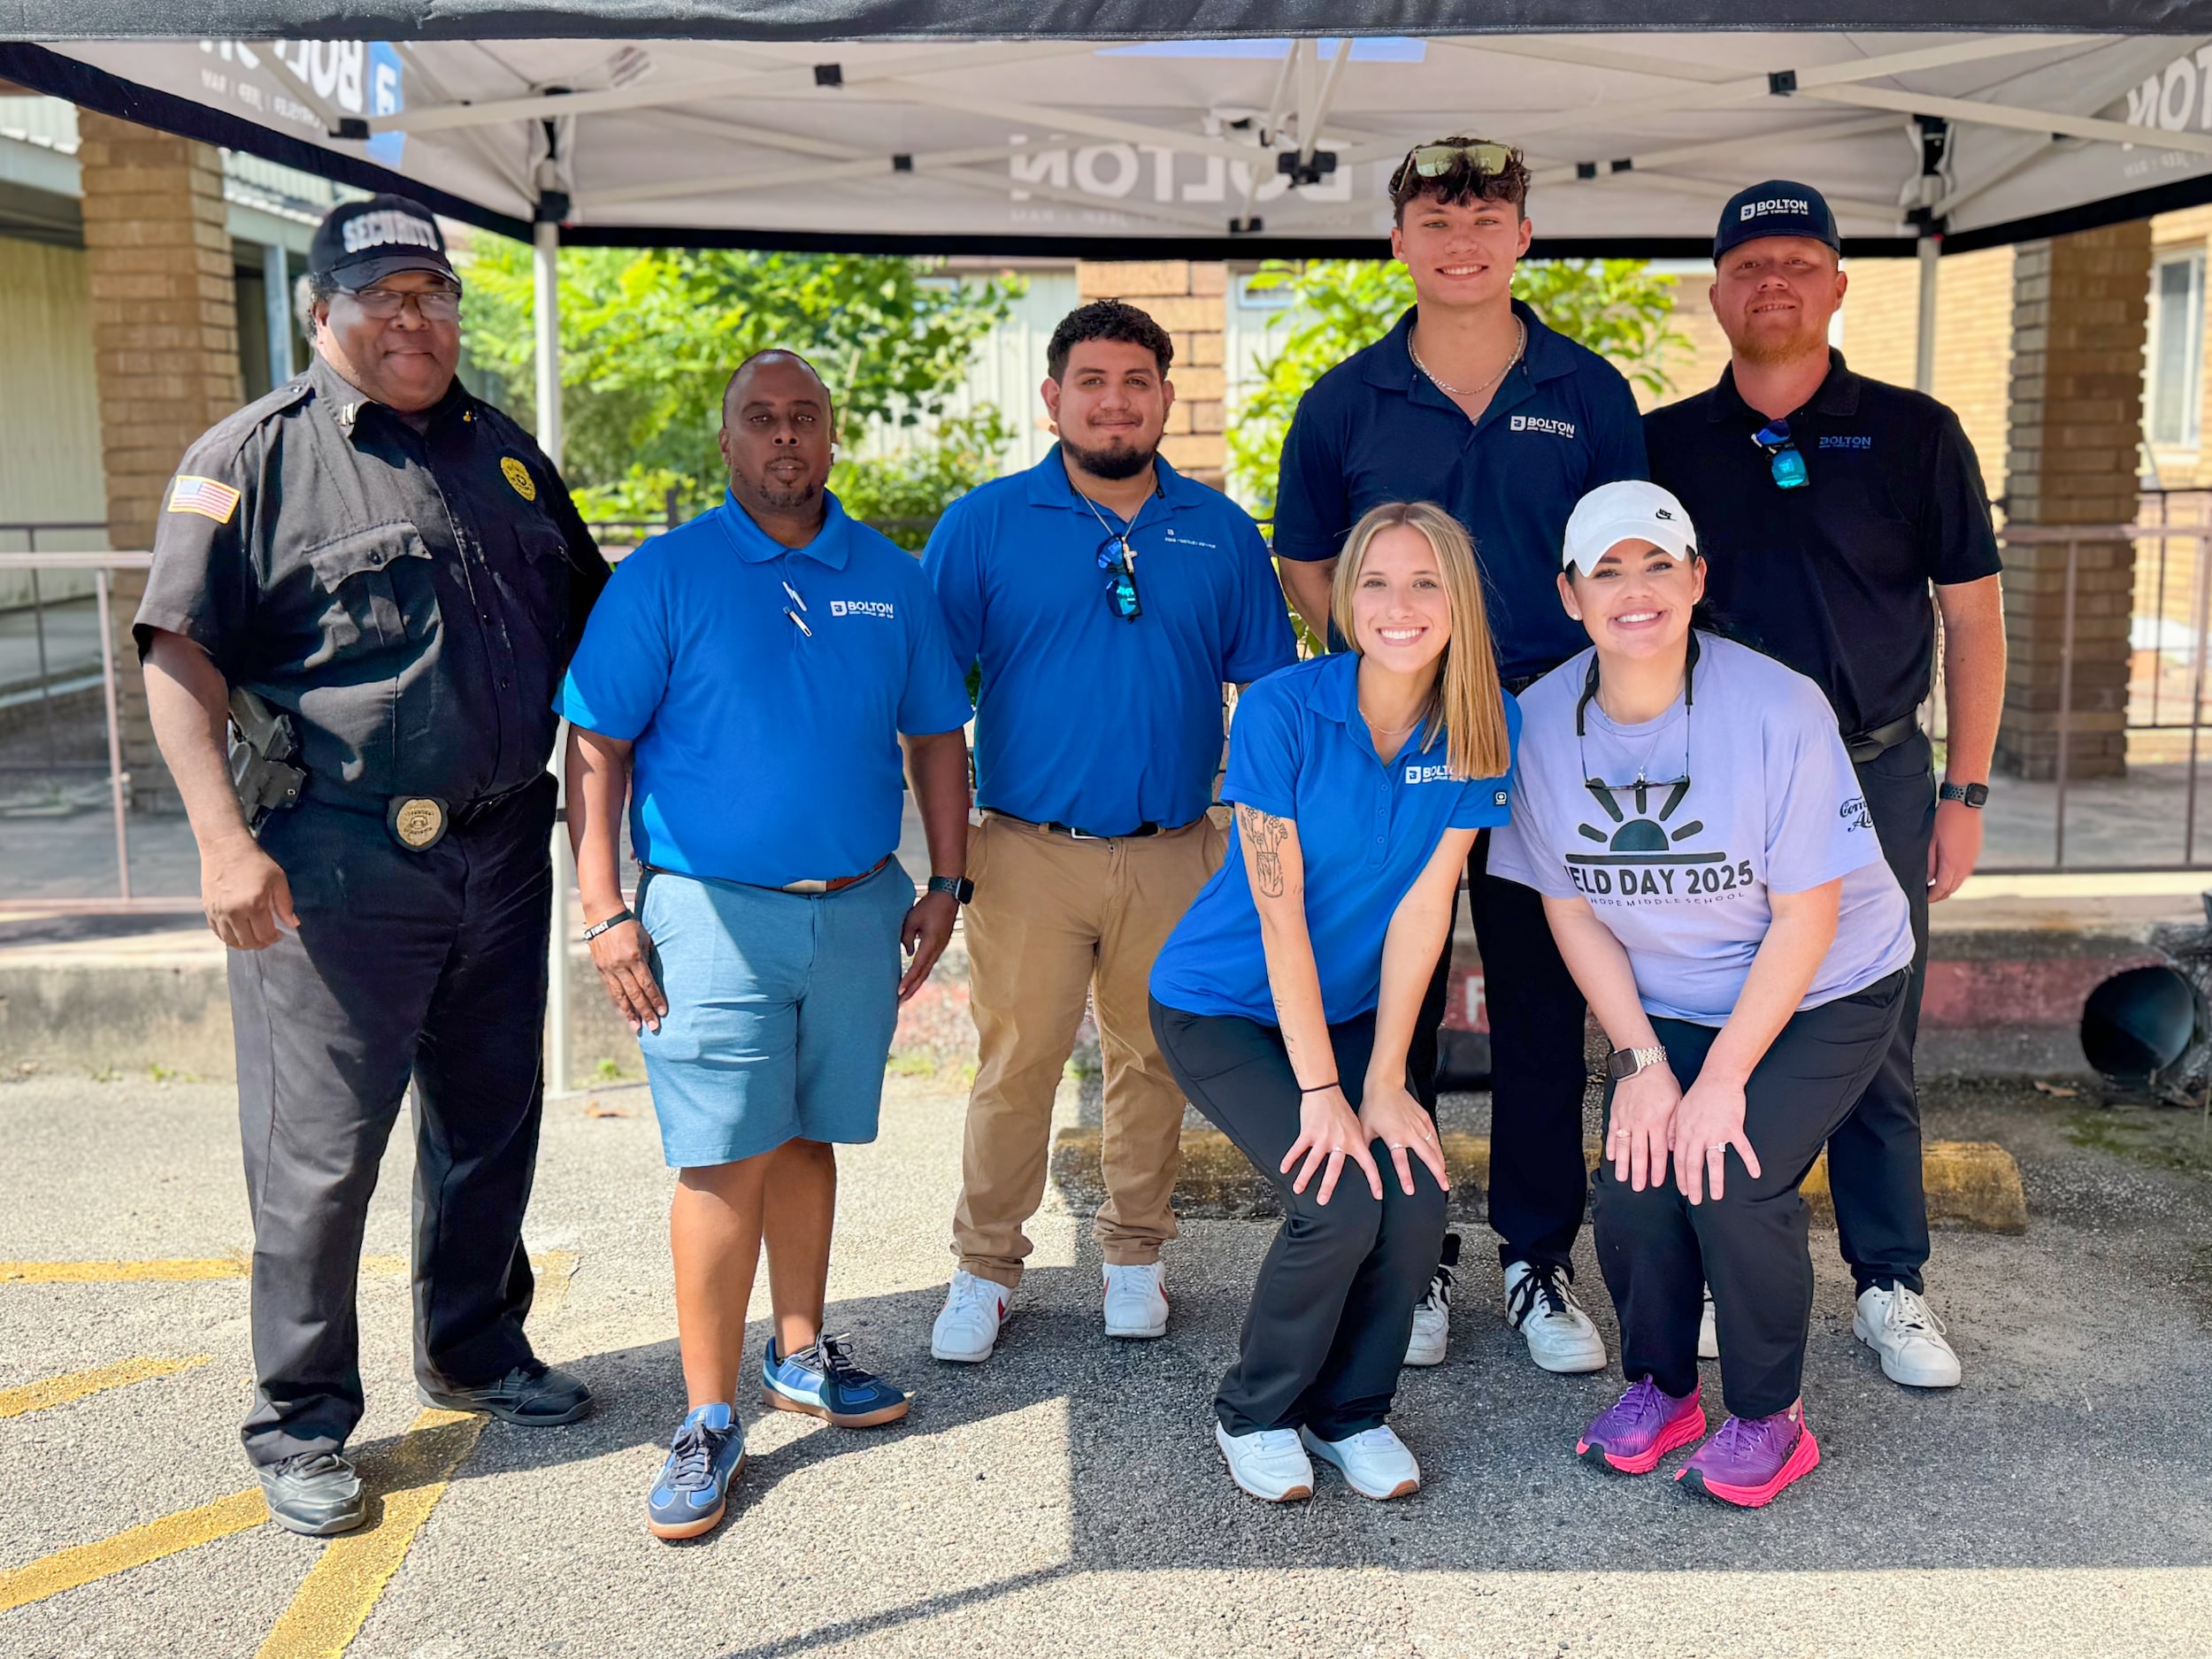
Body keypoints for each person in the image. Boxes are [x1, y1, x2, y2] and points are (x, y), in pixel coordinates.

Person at [134, 196, 609, 1536]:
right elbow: (179, 651)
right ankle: (299, 1419)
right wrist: (223, 842)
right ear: (319, 309)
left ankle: (472, 1344)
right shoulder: (251, 457)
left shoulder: (504, 452)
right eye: (382, 293)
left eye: (433, 293)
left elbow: (598, 629)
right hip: (333, 857)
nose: (413, 316)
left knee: (489, 1115)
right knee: (320, 1153)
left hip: (503, 843)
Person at [558, 350, 974, 1540]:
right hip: (706, 910)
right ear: (727, 442)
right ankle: (705, 1412)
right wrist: (603, 907)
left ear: (832, 437)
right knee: (719, 1155)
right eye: (761, 419)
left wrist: (946, 879)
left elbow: (937, 737)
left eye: (805, 418)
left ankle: (800, 1349)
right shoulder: (666, 577)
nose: (785, 437)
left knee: (807, 1132)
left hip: (855, 907)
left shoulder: (889, 578)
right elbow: (595, 748)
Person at [1271, 139, 1647, 1374]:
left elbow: (1623, 568)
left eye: (1488, 216)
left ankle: (1538, 1259)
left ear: (1523, 238)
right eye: (1437, 218)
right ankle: (1416, 1253)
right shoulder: (1345, 400)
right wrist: (1384, 678)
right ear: (1400, 242)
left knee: (1545, 1002)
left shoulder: (1588, 393)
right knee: (1401, 996)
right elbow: (1310, 564)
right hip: (1403, 742)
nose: (1463, 238)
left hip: (1548, 738)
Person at [1488, 480, 1915, 1509]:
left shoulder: (1777, 706)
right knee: (1635, 1180)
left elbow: (1807, 917)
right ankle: (1663, 1389)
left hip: (1827, 982)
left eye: (1658, 566)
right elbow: (1571, 908)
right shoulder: (1540, 721)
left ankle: (1770, 1415)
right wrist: (1639, 1062)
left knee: (1727, 1169)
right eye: (1608, 572)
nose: (1635, 591)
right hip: (1670, 997)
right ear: (1570, 596)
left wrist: (1718, 1080)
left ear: (1695, 581)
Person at [1645, 180, 2004, 1389]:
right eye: (1750, 266)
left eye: (1799, 262)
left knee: (1873, 1034)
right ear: (1718, 295)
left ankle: (1890, 1280)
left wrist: (1965, 792)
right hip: (1713, 791)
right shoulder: (1666, 445)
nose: (1775, 283)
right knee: (1702, 1021)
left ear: (1840, 284)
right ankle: (1702, 1265)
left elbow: (1975, 618)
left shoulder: (1914, 432)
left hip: (1875, 778)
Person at [923, 299, 1296, 1363]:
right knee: (1018, 1063)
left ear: (1165, 399)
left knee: (1152, 1061)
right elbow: (924, 704)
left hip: (1180, 846)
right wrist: (947, 866)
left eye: (1136, 382)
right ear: (1053, 398)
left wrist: (1266, 852)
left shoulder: (1218, 530)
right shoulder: (985, 526)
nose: (1114, 401)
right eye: (1091, 381)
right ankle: (986, 1266)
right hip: (1028, 850)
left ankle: (1133, 1255)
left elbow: (1266, 700)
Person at [1148, 501, 1517, 1504]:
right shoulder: (1281, 708)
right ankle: (1255, 1411)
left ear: (1458, 598)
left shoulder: (1486, 720)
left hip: (1357, 1007)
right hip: (1222, 1001)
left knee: (1414, 1198)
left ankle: (1349, 1412)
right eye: (1374, 584)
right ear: (1342, 600)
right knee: (1336, 1198)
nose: (1398, 607)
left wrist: (1387, 1080)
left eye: (1424, 583)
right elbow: (1279, 917)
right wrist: (1324, 1088)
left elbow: (1425, 907)